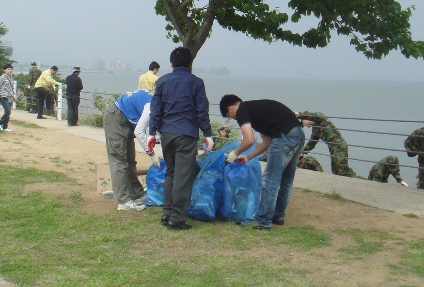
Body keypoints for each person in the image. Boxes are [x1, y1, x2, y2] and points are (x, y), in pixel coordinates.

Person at [147, 47, 213, 230]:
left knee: (171, 173)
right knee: (183, 177)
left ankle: (167, 212)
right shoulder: (196, 82)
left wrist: (152, 133)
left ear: (171, 63)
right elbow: (201, 111)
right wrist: (208, 134)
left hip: (166, 134)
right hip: (186, 133)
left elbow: (156, 110)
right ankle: (176, 219)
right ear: (190, 63)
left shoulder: (162, 82)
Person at [219, 95, 307, 230]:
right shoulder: (257, 112)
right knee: (286, 180)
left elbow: (248, 139)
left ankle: (263, 221)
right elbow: (266, 142)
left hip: (284, 137)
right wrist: (247, 157)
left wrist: (235, 153)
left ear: (230, 108)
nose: (233, 118)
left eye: (229, 115)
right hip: (298, 135)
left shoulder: (242, 110)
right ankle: (278, 216)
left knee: (270, 180)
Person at [104, 89, 160, 211]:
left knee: (130, 161)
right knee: (120, 161)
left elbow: (152, 130)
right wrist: (152, 155)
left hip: (127, 121)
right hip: (116, 118)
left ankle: (137, 194)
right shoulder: (152, 104)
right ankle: (123, 201)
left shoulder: (160, 98)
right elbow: (140, 132)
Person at [299, 111, 357, 177]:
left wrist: (299, 114)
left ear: (305, 118)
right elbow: (312, 142)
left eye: (302, 122)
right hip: (332, 148)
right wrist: (302, 152)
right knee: (336, 171)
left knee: (343, 171)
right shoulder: (315, 128)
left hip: (339, 145)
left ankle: (362, 181)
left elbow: (313, 116)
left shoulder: (320, 119)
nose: (304, 125)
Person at [0, 63, 16, 133]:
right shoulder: (2, 77)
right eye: (8, 69)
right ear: (4, 70)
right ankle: (0, 122)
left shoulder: (10, 77)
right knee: (7, 111)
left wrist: (13, 96)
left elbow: (11, 88)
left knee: (8, 112)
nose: (10, 70)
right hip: (4, 96)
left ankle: (5, 126)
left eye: (11, 69)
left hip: (9, 97)